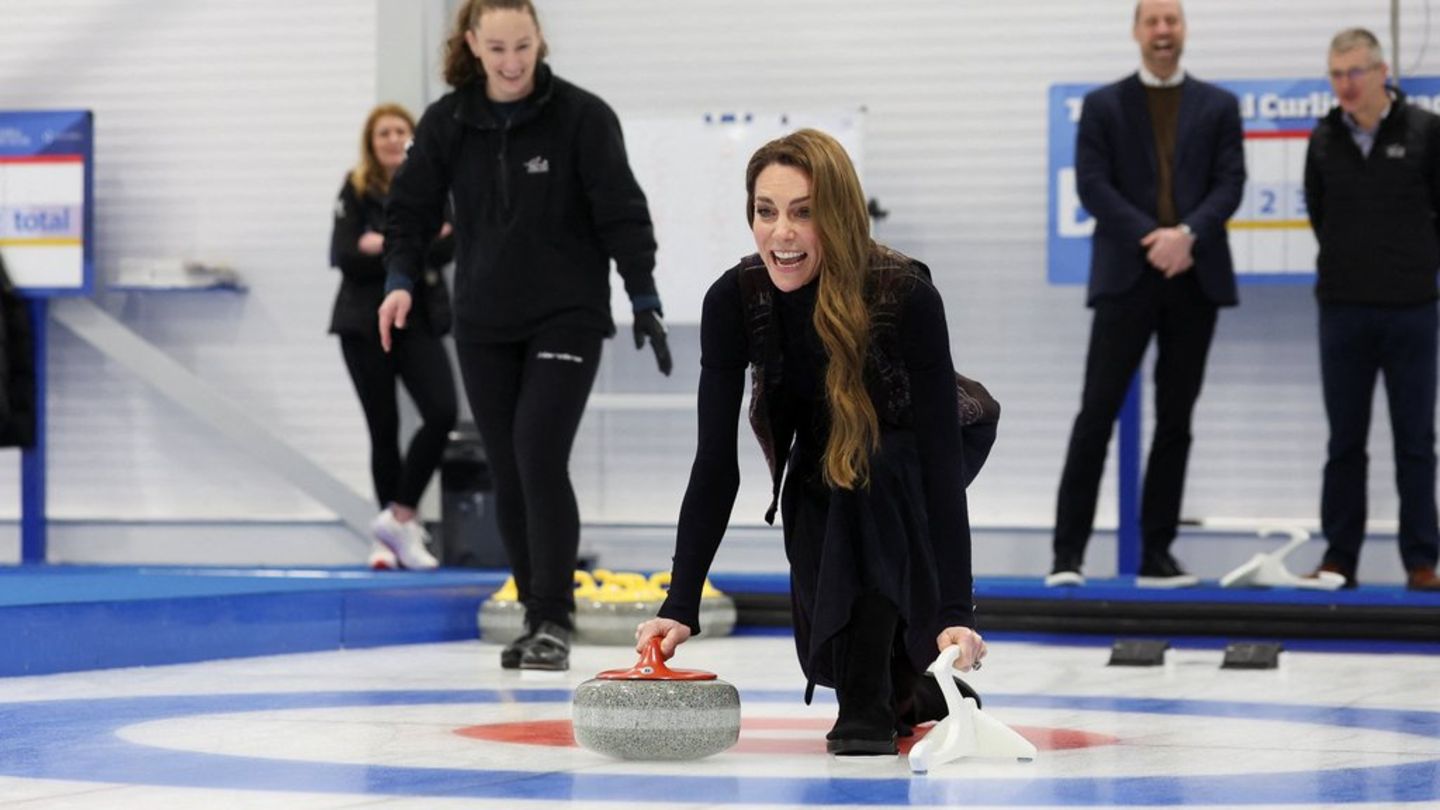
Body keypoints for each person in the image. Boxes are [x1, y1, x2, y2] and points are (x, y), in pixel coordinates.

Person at [635, 129, 997, 756]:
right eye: (766, 211)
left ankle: (866, 702)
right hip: (827, 453)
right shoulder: (735, 299)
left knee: (870, 474)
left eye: (804, 213)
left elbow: (939, 460)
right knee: (817, 502)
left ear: (839, 215)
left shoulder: (904, 292)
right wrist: (681, 601)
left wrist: (955, 611)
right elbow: (715, 464)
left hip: (930, 441)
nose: (782, 233)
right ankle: (906, 687)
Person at [379, 0, 672, 670]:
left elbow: (622, 213)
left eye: (523, 47)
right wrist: (399, 278)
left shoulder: (582, 117)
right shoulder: (448, 121)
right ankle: (534, 614)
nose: (512, 64)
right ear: (473, 47)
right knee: (508, 467)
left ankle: (552, 621)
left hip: (566, 313)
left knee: (539, 451)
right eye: (498, 49)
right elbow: (411, 211)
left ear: (540, 40)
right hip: (483, 319)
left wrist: (644, 296)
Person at [1048, 0, 1245, 589]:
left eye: (1172, 20)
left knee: (1176, 420)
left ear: (1183, 30)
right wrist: (1150, 236)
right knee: (1096, 414)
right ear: (1136, 32)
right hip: (1126, 278)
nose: (1163, 31)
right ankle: (1067, 555)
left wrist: (1186, 235)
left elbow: (1230, 183)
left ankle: (1157, 553)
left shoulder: (1220, 105)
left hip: (1195, 276)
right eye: (1153, 21)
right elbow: (1092, 184)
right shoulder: (1105, 105)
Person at [1303, 28, 1440, 592]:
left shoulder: (1427, 132)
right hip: (1343, 310)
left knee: (1415, 439)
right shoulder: (1323, 137)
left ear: (1382, 72)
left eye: (1354, 73)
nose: (1345, 85)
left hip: (1411, 309)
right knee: (1344, 441)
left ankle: (1423, 560)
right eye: (1336, 75)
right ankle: (1340, 558)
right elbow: (1319, 212)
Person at [329, 103, 457, 571]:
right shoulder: (356, 186)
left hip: (417, 317)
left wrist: (379, 241)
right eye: (382, 132)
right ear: (371, 140)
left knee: (441, 412)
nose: (390, 139)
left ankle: (400, 516)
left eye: (400, 131)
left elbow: (450, 244)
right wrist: (410, 242)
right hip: (363, 322)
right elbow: (345, 253)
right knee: (382, 428)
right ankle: (388, 539)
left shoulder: (431, 184)